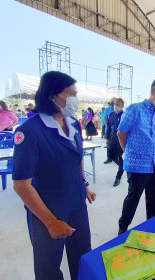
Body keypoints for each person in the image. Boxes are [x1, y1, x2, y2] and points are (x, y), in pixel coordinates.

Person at [12, 71, 96, 280]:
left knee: (83, 257)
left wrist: (84, 185)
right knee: (48, 267)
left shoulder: (73, 124)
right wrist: (51, 222)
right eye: (71, 94)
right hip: (48, 209)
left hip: (77, 204)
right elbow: (22, 185)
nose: (76, 99)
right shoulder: (29, 132)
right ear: (52, 95)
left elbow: (77, 158)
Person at [117, 78, 155, 235]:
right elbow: (121, 133)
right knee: (133, 197)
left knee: (154, 198)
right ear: (152, 91)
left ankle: (153, 227)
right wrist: (128, 152)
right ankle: (122, 228)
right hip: (137, 163)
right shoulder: (135, 109)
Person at [105, 98, 125, 187]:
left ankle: (118, 177)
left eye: (118, 105)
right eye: (115, 104)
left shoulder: (125, 116)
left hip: (121, 142)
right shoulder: (111, 114)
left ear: (122, 106)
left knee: (121, 159)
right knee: (112, 157)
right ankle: (122, 167)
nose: (115, 106)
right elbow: (109, 127)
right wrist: (107, 138)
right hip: (112, 140)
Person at [103, 97, 116, 164]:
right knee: (109, 144)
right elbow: (105, 119)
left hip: (116, 130)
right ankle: (109, 158)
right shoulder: (107, 109)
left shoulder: (117, 109)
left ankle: (115, 157)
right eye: (113, 102)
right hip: (110, 129)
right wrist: (109, 127)